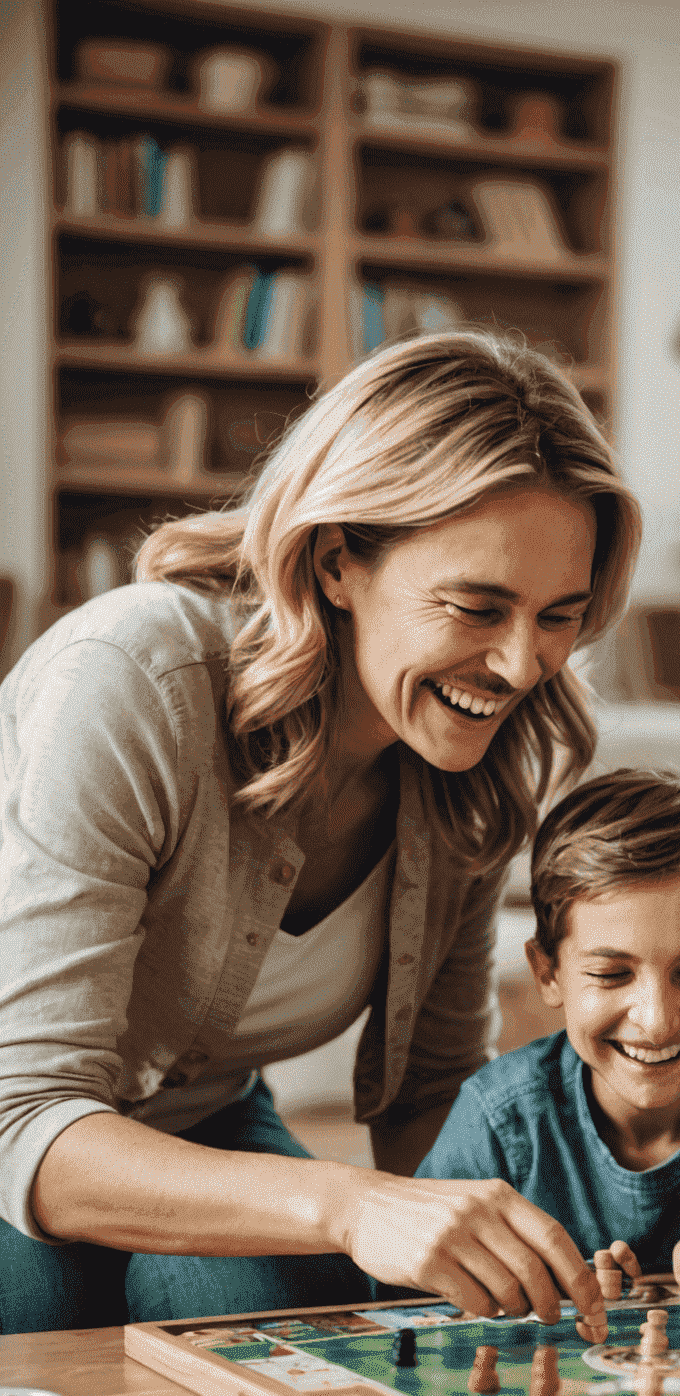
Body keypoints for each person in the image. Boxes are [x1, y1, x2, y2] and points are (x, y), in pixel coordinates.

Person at [0, 329, 641, 1332]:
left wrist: (526, 1245)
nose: (523, 667)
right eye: (478, 607)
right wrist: (348, 1203)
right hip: (19, 1130)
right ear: (339, 560)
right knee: (42, 1322)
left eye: (559, 614)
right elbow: (26, 1122)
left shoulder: (476, 763)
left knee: (287, 1326)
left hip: (199, 1121)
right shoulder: (132, 680)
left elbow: (431, 1098)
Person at [417, 768, 680, 1289]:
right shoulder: (499, 1121)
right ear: (548, 973)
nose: (655, 1021)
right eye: (610, 974)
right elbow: (410, 1297)